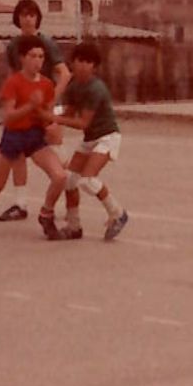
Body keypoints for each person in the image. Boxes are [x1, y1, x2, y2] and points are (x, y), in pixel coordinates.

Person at [0, 36, 68, 240]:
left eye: (41, 56)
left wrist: (54, 124)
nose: (37, 61)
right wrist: (30, 106)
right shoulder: (14, 82)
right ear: (22, 58)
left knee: (60, 176)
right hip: (14, 136)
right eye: (33, 56)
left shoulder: (47, 85)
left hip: (35, 136)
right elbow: (9, 116)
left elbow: (46, 113)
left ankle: (46, 214)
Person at [0, 0, 71, 222]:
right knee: (17, 153)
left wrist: (49, 102)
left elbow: (65, 74)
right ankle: (20, 203)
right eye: (23, 14)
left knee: (57, 154)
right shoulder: (13, 46)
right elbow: (12, 76)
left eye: (32, 14)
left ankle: (71, 199)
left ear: (38, 18)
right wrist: (11, 105)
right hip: (23, 107)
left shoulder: (46, 43)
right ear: (17, 18)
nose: (28, 18)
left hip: (46, 105)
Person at [53, 43, 129, 241]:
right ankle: (73, 226)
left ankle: (118, 213)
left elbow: (82, 123)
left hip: (107, 136)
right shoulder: (73, 86)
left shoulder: (96, 88)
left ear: (94, 66)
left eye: (88, 62)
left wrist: (52, 118)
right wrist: (47, 114)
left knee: (87, 180)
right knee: (69, 179)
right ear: (73, 61)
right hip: (90, 139)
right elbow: (68, 113)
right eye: (79, 61)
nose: (83, 66)